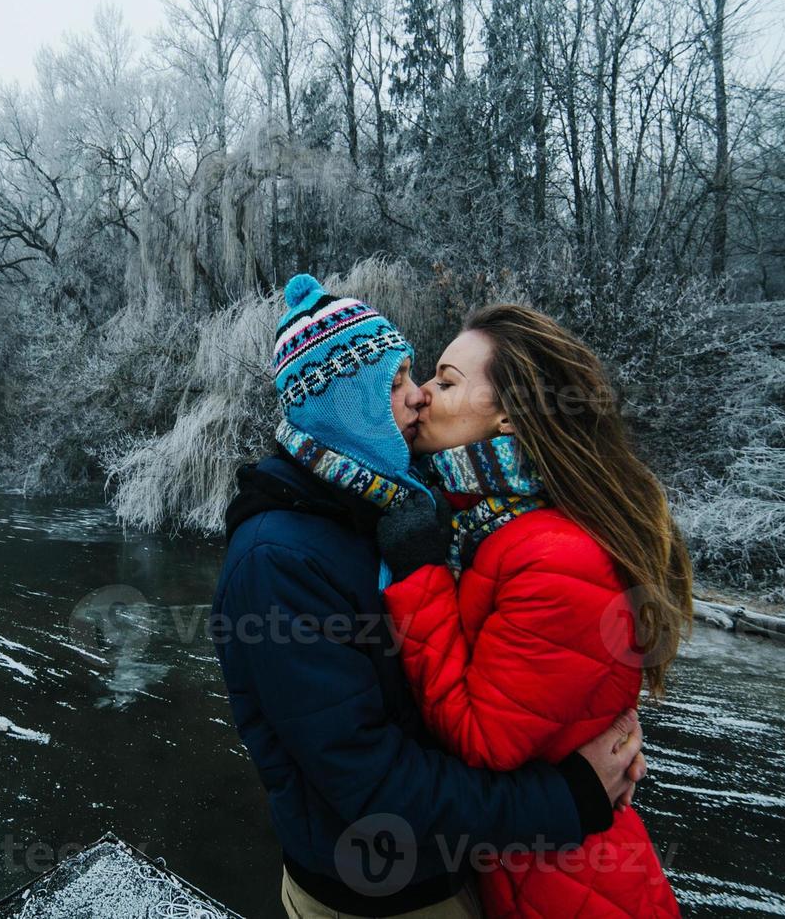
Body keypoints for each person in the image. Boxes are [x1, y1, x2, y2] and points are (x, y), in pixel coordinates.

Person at [212, 275, 647, 919]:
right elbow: (373, 785)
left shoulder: (399, 508)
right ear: (347, 409)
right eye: (395, 384)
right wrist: (569, 796)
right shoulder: (279, 562)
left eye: (428, 377)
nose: (418, 397)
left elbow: (513, 672)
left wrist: (579, 722)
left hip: (461, 867)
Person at [376, 303, 690, 917]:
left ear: (509, 417)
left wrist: (418, 577)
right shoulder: (479, 523)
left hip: (571, 889)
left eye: (445, 381)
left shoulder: (553, 556)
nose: (422, 397)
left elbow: (484, 739)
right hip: (526, 867)